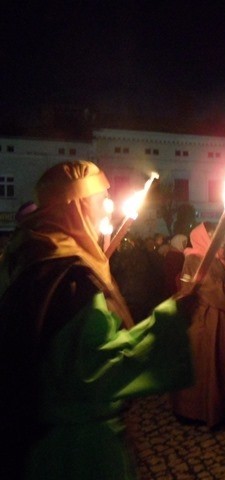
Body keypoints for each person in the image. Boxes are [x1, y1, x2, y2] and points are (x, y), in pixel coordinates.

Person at [0, 160, 193, 480]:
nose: (109, 205)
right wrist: (174, 317)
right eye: (100, 198)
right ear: (75, 207)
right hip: (75, 452)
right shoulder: (67, 278)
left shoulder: (36, 257)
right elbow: (97, 369)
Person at [172, 219, 225, 428]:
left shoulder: (216, 257)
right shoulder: (195, 258)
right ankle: (197, 410)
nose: (219, 238)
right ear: (203, 237)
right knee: (205, 367)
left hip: (221, 320)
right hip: (206, 323)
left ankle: (221, 406)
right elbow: (212, 289)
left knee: (219, 364)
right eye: (213, 234)